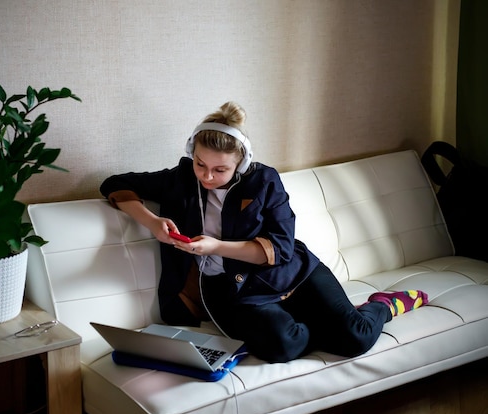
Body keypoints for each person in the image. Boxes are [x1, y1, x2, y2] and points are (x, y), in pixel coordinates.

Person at [100, 102, 428, 363]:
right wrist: (153, 222)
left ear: (241, 165)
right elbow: (115, 185)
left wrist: (216, 247)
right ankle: (323, 324)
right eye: (200, 164)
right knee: (283, 347)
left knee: (355, 338)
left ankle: (382, 305)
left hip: (294, 273)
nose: (207, 176)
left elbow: (282, 248)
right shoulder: (181, 179)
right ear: (192, 153)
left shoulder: (264, 181)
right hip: (235, 293)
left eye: (220, 169)